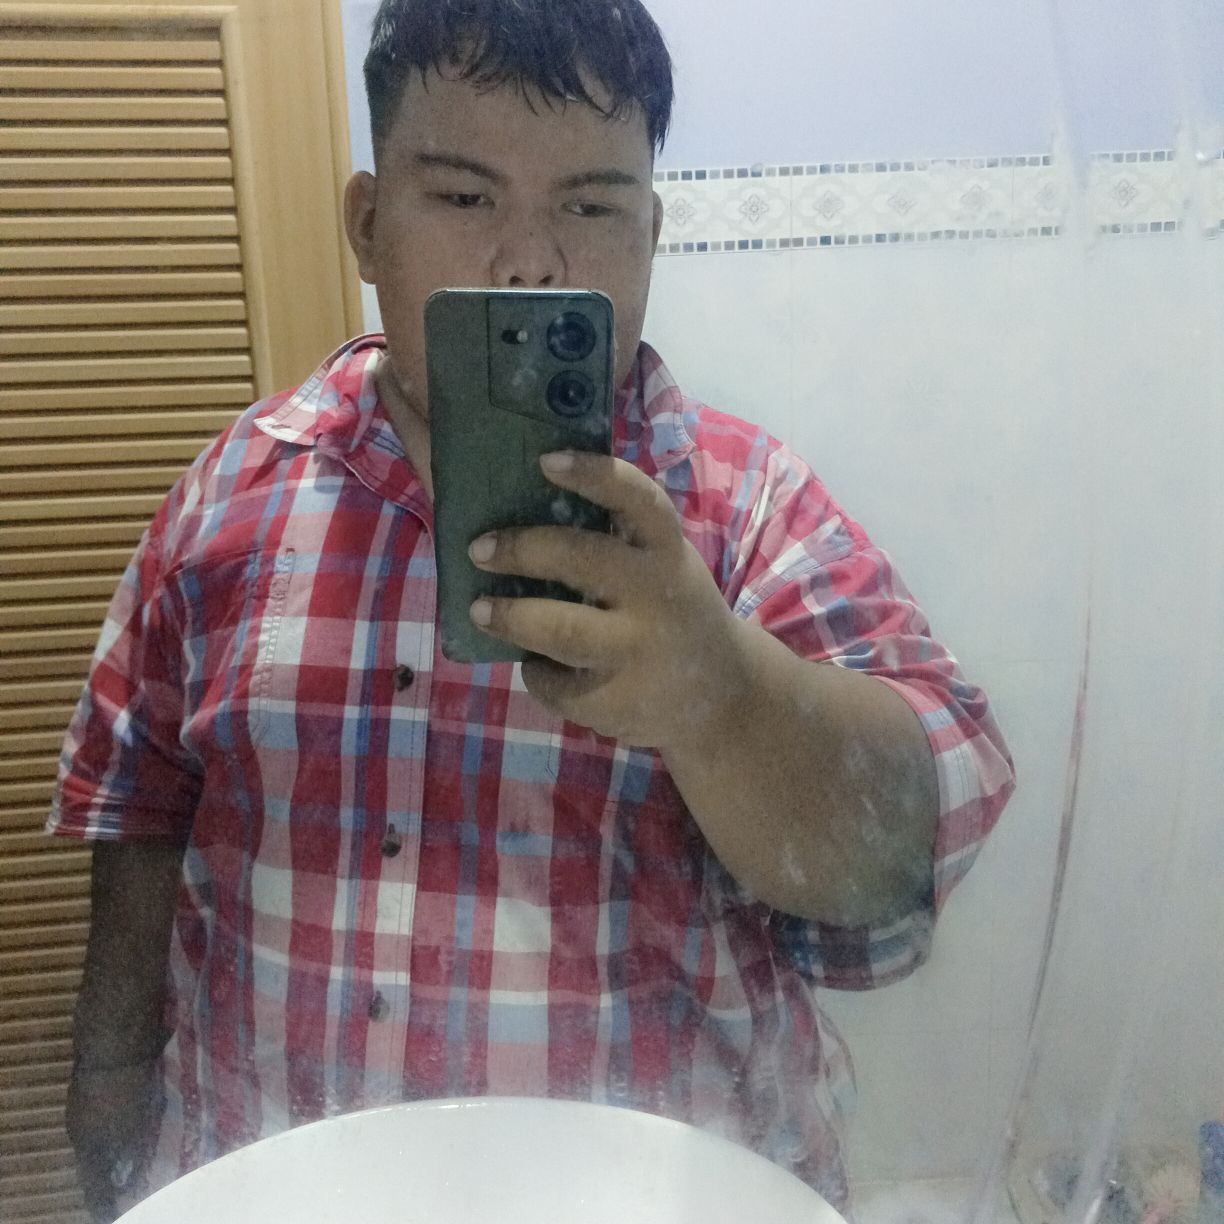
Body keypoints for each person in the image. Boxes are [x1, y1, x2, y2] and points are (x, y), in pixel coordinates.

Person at [49, 1, 1016, 1220]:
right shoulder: (226, 501)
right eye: (463, 196)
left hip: (669, 1197)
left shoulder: (747, 509)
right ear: (368, 224)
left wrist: (721, 695)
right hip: (272, 1186)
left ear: (651, 235)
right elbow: (136, 813)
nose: (529, 264)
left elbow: (903, 854)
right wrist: (108, 1104)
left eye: (592, 207)